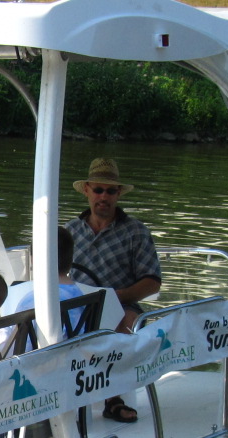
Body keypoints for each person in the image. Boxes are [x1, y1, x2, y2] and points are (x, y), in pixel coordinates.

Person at [65, 157, 161, 422]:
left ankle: (113, 399)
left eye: (110, 191)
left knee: (124, 325)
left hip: (122, 304)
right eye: (98, 190)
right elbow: (55, 274)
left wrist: (115, 297)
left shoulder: (136, 232)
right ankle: (51, 400)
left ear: (118, 193)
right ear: (87, 190)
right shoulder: (69, 231)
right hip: (77, 303)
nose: (103, 196)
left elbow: (152, 281)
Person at [2, 228, 126, 336]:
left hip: (41, 362)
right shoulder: (80, 296)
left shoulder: (31, 302)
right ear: (70, 259)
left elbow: (16, 349)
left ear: (34, 259)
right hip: (75, 359)